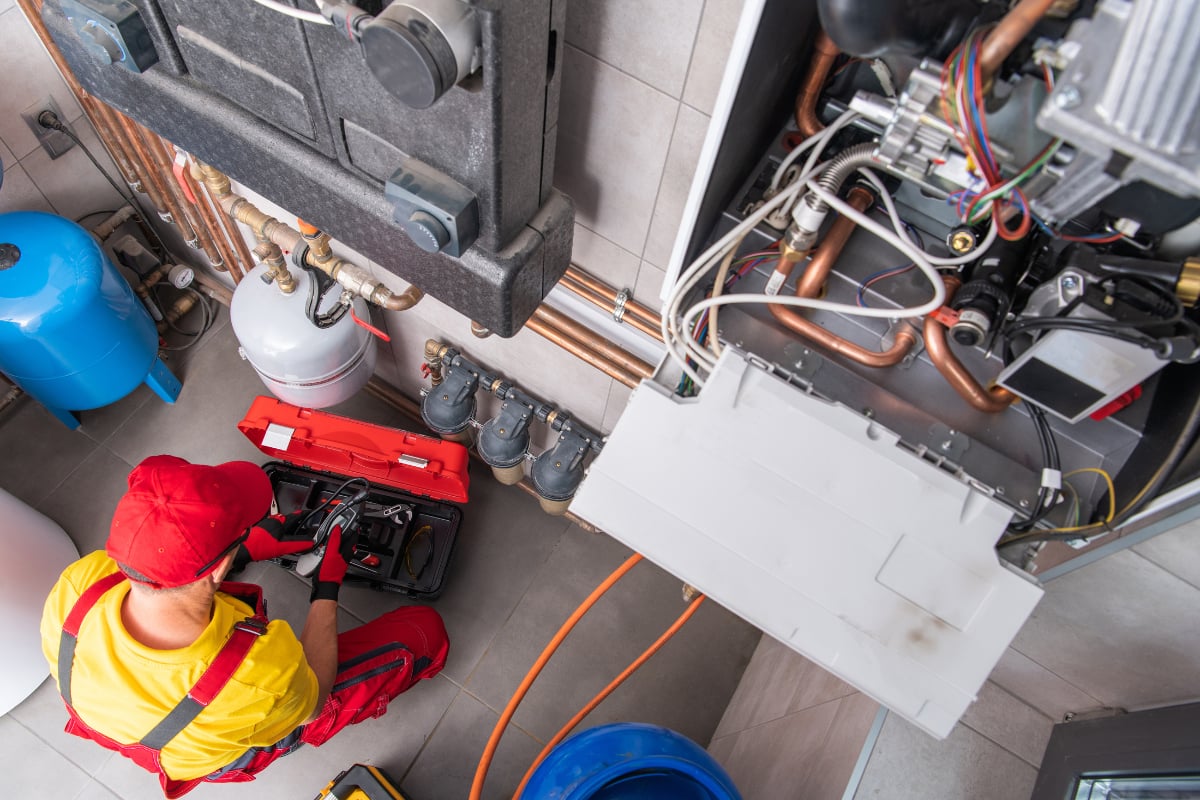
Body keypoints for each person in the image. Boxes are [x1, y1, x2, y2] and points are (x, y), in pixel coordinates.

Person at [40, 455, 449, 798]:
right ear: (216, 568)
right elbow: (313, 697)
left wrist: (241, 552)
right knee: (425, 632)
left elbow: (164, 576)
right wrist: (326, 588)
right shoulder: (256, 673)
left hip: (125, 721)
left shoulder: (81, 582)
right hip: (215, 751)